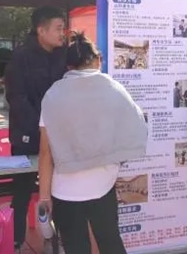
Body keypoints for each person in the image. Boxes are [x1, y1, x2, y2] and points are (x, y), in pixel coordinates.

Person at [39, 32, 147, 254]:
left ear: (69, 66)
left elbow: (45, 153)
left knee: (76, 248)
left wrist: (44, 196)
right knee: (111, 244)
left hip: (65, 189)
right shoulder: (114, 89)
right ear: (98, 60)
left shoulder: (53, 94)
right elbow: (137, 127)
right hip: (103, 183)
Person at [5, 6, 67, 251]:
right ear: (41, 30)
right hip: (27, 136)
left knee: (60, 193)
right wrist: (41, 128)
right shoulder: (21, 58)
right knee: (22, 193)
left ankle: (56, 240)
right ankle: (16, 241)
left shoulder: (64, 55)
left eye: (63, 28)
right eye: (58, 28)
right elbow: (17, 98)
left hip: (59, 137)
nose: (62, 33)